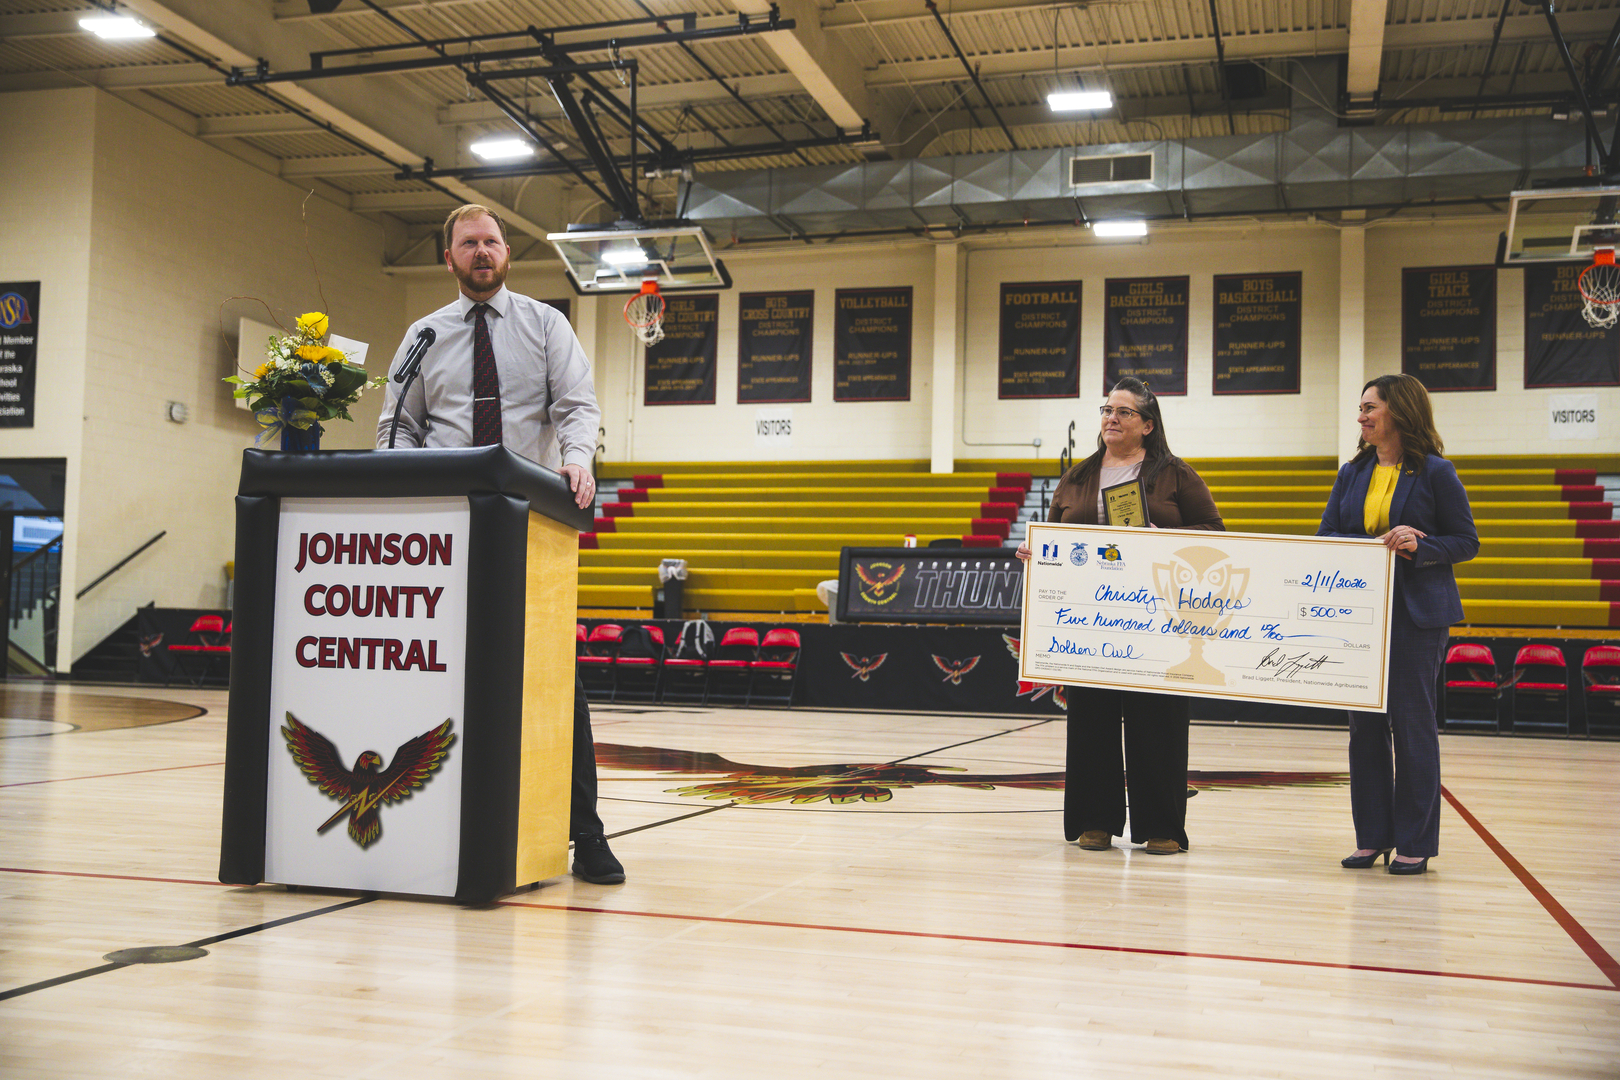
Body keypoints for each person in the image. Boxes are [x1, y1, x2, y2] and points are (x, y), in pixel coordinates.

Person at [376, 203, 624, 885]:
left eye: (491, 241)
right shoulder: (422, 336)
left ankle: (586, 835)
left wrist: (579, 460)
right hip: (444, 531)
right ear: (448, 258)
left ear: (507, 252)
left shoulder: (546, 325)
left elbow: (577, 406)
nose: (481, 251)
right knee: (435, 679)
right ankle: (425, 822)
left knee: (554, 685)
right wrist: (398, 486)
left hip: (529, 521)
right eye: (467, 243)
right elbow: (395, 425)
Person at [1017, 377, 1223, 855]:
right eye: (1107, 410)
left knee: (1159, 722)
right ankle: (1095, 821)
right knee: (1091, 719)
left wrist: (1164, 538)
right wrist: (1038, 552)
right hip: (1089, 621)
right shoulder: (1078, 476)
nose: (1111, 417)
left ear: (1148, 425)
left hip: (1159, 620)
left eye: (1124, 412)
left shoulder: (1177, 475)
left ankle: (1162, 827)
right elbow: (1055, 536)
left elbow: (1216, 534)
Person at [1317, 374, 1477, 875]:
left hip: (1416, 617)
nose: (1361, 416)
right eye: (1360, 409)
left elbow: (1465, 541)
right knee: (1363, 730)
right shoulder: (1351, 472)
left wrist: (1420, 545)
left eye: (1370, 408)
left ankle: (1413, 842)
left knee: (1411, 729)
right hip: (1359, 617)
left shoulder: (1435, 472)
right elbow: (1326, 534)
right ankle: (1372, 838)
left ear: (1399, 412)